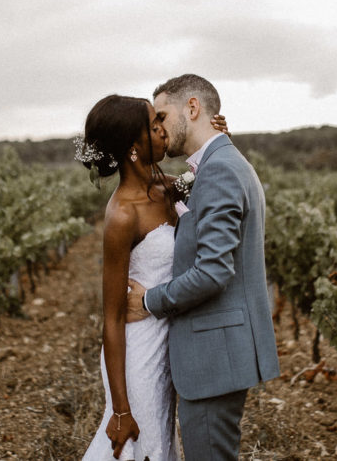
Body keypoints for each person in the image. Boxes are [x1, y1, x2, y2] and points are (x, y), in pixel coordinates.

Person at [127, 74, 280, 460]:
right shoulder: (214, 165)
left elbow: (213, 271)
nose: (157, 128)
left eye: (161, 116)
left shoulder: (220, 170)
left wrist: (149, 302)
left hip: (215, 358)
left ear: (191, 108)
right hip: (218, 353)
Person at [77, 93, 229, 460]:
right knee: (141, 444)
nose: (163, 131)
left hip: (168, 341)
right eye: (154, 124)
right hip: (139, 351)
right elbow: (111, 320)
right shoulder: (122, 215)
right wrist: (119, 409)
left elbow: (212, 177)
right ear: (133, 146)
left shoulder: (166, 187)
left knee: (161, 438)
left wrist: (216, 139)